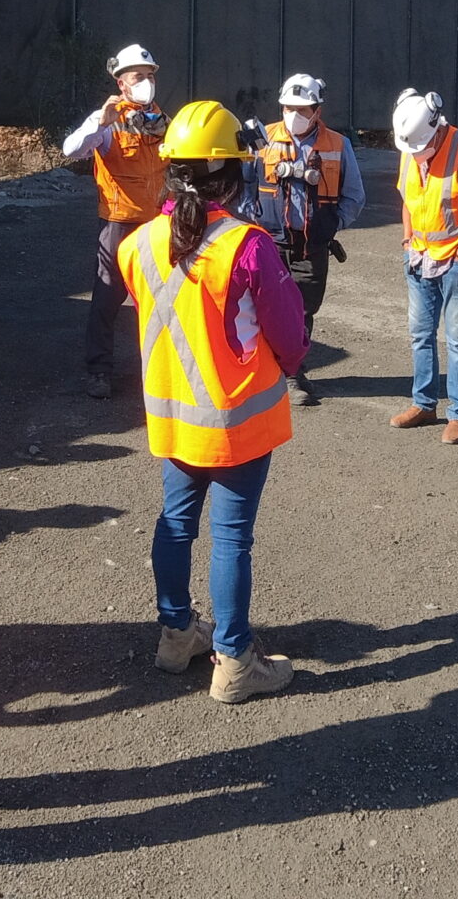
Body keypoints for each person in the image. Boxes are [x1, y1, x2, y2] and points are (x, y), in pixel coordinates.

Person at [118, 100, 305, 704]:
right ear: (232, 173)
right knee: (230, 539)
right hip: (236, 423)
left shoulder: (138, 244)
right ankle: (234, 660)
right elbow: (293, 340)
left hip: (173, 420)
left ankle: (176, 636)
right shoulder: (247, 246)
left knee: (175, 526)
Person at [386, 88, 458, 443]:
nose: (416, 155)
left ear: (437, 128)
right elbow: (408, 199)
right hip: (419, 257)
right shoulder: (410, 146)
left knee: (457, 339)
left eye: (422, 147)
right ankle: (424, 404)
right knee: (421, 335)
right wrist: (408, 240)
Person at [62, 43, 168, 399]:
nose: (146, 83)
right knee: (107, 298)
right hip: (119, 222)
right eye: (138, 77)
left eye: (150, 76)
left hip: (156, 222)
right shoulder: (108, 119)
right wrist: (99, 122)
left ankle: (159, 369)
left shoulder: (161, 118)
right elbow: (72, 149)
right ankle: (99, 370)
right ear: (122, 84)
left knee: (160, 299)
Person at [252, 73, 363, 405]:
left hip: (311, 245)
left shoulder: (337, 145)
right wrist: (250, 224)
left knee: (302, 310)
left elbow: (354, 196)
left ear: (317, 111)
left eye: (303, 109)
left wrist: (330, 225)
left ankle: (292, 374)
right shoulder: (261, 140)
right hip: (267, 241)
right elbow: (243, 187)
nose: (294, 114)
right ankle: (262, 373)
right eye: (288, 107)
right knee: (260, 306)